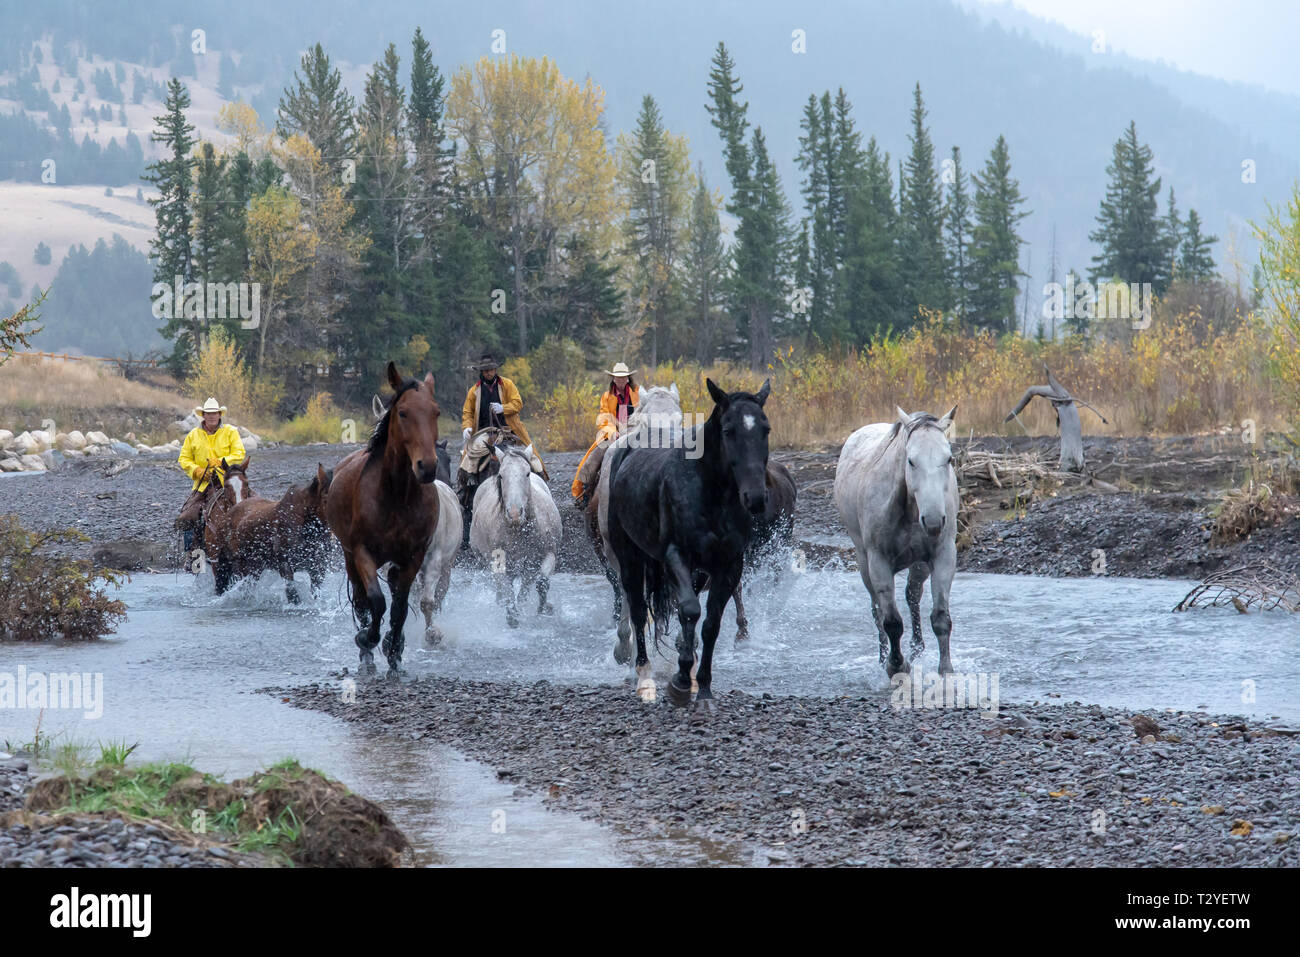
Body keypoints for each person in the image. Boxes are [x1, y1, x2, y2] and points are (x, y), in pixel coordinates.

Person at [175, 397, 246, 553]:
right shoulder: (193, 435)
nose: (212, 416)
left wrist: (220, 461)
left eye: (215, 413)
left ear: (220, 414)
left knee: (252, 506)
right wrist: (197, 471)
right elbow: (184, 459)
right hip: (204, 484)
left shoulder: (230, 432)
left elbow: (239, 453)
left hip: (229, 480)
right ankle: (193, 555)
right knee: (188, 516)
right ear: (203, 415)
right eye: (208, 413)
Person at [571, 362, 638, 506]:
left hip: (636, 433)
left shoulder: (638, 393)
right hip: (614, 434)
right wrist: (613, 433)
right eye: (617, 377)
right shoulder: (607, 396)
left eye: (623, 377)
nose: (620, 380)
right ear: (613, 379)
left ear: (628, 378)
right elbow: (604, 417)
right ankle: (585, 492)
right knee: (593, 458)